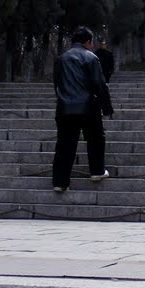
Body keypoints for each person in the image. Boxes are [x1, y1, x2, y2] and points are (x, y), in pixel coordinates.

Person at [51, 27, 113, 193]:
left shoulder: (61, 59)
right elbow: (99, 85)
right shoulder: (91, 58)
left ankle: (60, 182)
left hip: (64, 108)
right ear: (87, 42)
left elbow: (57, 83)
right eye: (91, 42)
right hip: (87, 107)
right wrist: (106, 107)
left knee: (64, 145)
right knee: (95, 139)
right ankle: (97, 171)